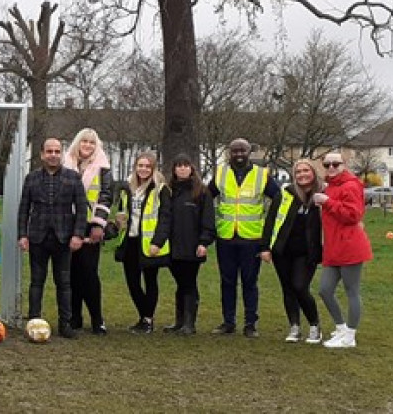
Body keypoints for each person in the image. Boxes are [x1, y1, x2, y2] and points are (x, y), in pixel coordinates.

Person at [208, 138, 281, 338]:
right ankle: (228, 321)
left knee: (250, 282)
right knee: (227, 281)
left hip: (252, 238)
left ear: (249, 152)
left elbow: (278, 197)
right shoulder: (220, 173)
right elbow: (206, 196)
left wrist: (269, 227)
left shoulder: (261, 175)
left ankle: (250, 323)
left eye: (243, 151)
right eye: (235, 151)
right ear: (229, 153)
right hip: (226, 237)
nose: (239, 154)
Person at [17, 137, 87, 339]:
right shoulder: (31, 178)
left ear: (62, 154)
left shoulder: (73, 178)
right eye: (49, 151)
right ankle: (33, 321)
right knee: (36, 282)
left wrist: (78, 234)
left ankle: (65, 324)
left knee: (64, 283)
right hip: (37, 237)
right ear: (42, 154)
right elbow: (24, 209)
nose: (53, 155)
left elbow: (82, 209)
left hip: (64, 237)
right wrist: (23, 234)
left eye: (57, 151)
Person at [259, 159, 324, 344]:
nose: (302, 174)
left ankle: (314, 325)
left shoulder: (322, 194)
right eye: (298, 172)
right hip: (283, 250)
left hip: (308, 252)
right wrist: (265, 247)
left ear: (313, 172)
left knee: (300, 287)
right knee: (287, 289)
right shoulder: (286, 193)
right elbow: (271, 220)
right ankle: (294, 327)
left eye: (306, 171)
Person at [316, 151, 373, 349]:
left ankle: (350, 335)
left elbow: (353, 214)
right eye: (327, 164)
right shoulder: (331, 186)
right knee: (324, 290)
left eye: (336, 164)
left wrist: (327, 202)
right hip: (333, 248)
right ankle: (341, 328)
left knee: (352, 291)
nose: (331, 167)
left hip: (350, 247)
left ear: (344, 164)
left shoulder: (351, 185)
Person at [110, 150, 170, 334]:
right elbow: (122, 210)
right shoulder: (128, 187)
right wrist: (119, 220)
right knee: (132, 282)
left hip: (149, 242)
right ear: (135, 167)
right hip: (130, 240)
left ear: (153, 169)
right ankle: (144, 315)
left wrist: (158, 242)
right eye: (140, 166)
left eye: (147, 166)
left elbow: (165, 218)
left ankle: (147, 319)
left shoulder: (161, 189)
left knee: (150, 281)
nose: (143, 169)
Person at [155, 154, 214, 335]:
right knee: (180, 284)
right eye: (178, 166)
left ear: (192, 168)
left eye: (185, 165)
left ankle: (190, 323)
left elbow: (208, 220)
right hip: (172, 247)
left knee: (189, 283)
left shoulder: (201, 192)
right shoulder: (169, 191)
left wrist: (204, 242)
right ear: (173, 169)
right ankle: (179, 321)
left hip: (192, 246)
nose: (182, 169)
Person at [62, 128, 113, 334]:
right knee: (71, 274)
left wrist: (99, 224)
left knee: (89, 274)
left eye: (92, 143)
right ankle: (74, 317)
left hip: (91, 225)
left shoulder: (103, 167)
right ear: (77, 142)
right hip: (68, 224)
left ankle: (97, 319)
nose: (88, 146)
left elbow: (106, 195)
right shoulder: (66, 164)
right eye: (84, 141)